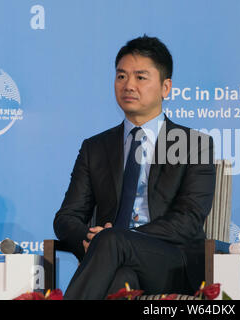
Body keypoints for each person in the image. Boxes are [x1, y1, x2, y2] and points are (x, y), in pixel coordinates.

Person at [53, 35, 216, 300]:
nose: (128, 85)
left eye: (140, 77)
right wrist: (89, 237)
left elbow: (187, 221)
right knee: (122, 278)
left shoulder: (193, 144)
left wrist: (120, 237)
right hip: (112, 259)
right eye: (121, 76)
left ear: (165, 87)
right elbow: (66, 218)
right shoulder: (95, 147)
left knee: (112, 242)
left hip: (172, 263)